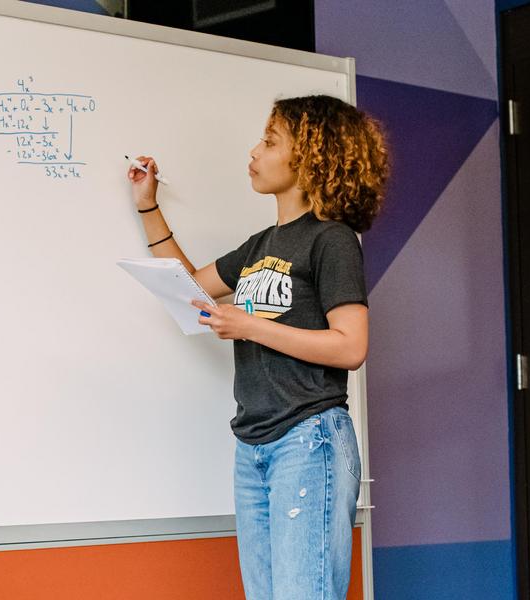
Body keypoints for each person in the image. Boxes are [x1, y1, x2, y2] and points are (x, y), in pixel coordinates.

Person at [128, 95, 388, 600]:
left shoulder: (332, 239)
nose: (254, 151)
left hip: (309, 440)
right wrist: (148, 206)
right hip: (255, 445)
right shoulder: (260, 245)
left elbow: (351, 346)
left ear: (310, 157)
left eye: (269, 142)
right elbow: (192, 292)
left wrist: (251, 327)